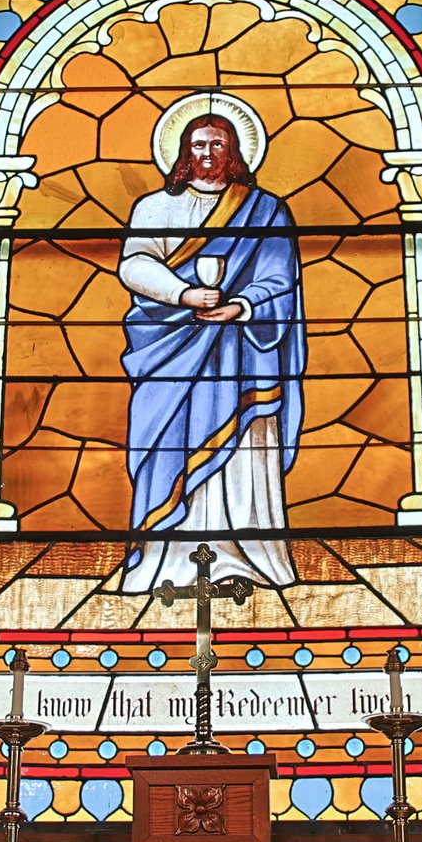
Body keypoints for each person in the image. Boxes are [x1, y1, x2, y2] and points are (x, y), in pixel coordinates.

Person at [116, 103, 305, 592]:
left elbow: (279, 278)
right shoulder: (153, 208)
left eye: (218, 144)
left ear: (234, 151)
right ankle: (167, 560)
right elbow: (134, 264)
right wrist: (183, 295)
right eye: (198, 144)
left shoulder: (266, 210)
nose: (207, 153)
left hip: (244, 352)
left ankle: (249, 555)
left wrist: (241, 306)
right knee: (167, 441)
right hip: (171, 347)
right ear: (182, 151)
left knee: (244, 452)